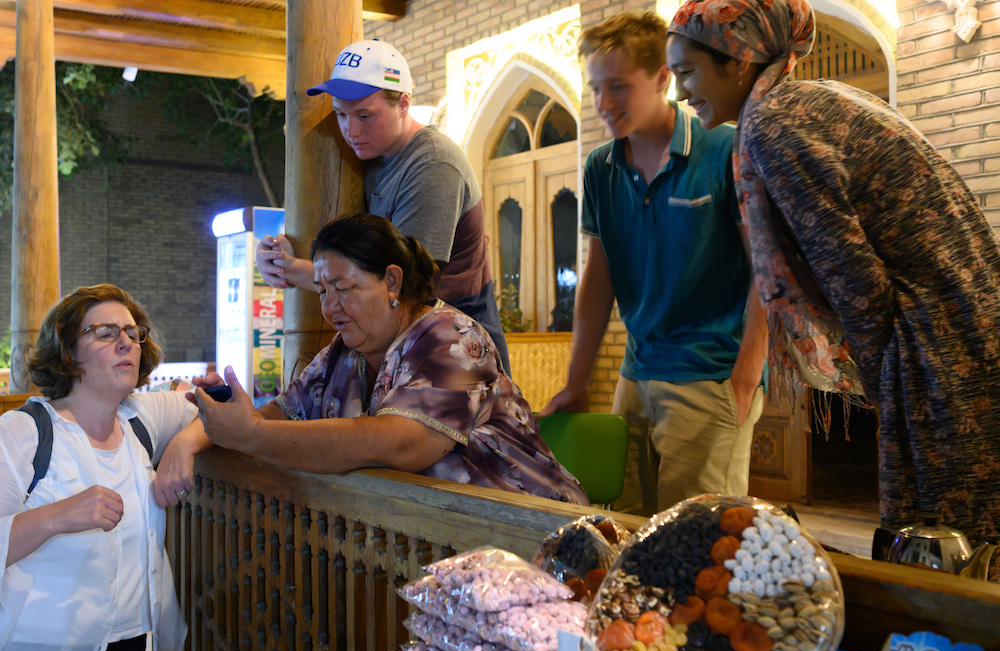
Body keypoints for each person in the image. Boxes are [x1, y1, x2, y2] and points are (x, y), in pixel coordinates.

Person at [666, 0, 1000, 564]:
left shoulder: (774, 126)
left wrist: (885, 386)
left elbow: (854, 283)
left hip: (939, 339)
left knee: (949, 545)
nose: (680, 95)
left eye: (687, 73)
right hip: (960, 318)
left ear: (739, 61)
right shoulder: (810, 101)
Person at [539, 11, 768, 516]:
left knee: (696, 535)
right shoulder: (600, 167)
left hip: (710, 376)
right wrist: (576, 382)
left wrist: (746, 378)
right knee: (628, 527)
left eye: (618, 86)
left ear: (664, 77)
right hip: (636, 373)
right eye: (597, 88)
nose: (603, 103)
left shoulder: (725, 149)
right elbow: (598, 284)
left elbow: (765, 275)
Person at [197, 213, 587, 504]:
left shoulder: (453, 337)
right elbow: (279, 416)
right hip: (425, 542)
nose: (331, 308)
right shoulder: (343, 351)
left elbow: (402, 442)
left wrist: (251, 434)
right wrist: (208, 423)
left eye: (344, 288)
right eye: (321, 291)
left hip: (530, 532)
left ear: (392, 282)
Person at [256, 39, 511, 374]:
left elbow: (404, 285)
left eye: (365, 115)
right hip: (403, 348)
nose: (351, 130)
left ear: (403, 104)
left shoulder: (432, 165)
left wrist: (293, 269)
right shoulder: (371, 157)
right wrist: (276, 256)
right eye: (341, 115)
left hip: (459, 352)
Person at [0, 284, 206, 651]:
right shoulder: (23, 432)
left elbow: (215, 405)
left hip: (142, 648)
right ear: (68, 351)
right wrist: (57, 516)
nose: (126, 342)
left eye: (132, 333)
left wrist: (183, 445)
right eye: (106, 333)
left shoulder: (140, 418)